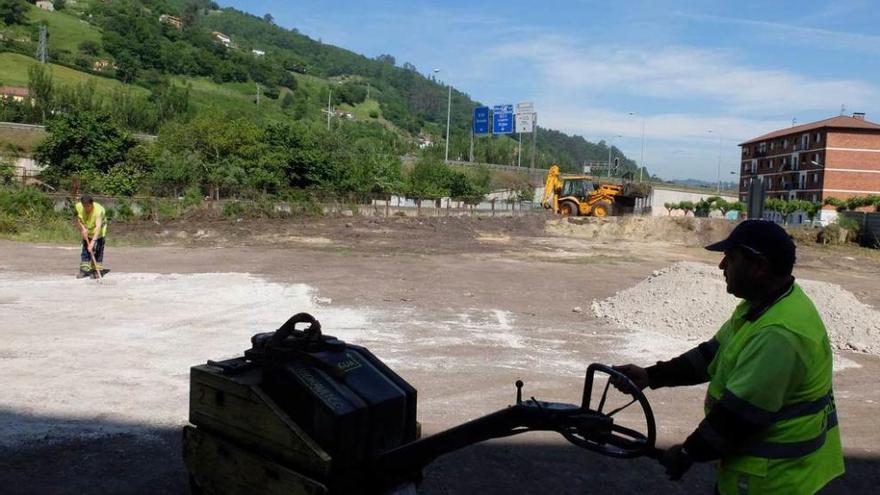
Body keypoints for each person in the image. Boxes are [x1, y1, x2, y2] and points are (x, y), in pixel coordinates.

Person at [614, 220, 843, 494]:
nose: (722, 266)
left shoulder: (779, 336)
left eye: (731, 258)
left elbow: (736, 419)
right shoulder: (765, 306)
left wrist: (687, 454)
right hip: (769, 473)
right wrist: (651, 375)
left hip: (775, 481)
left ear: (759, 267)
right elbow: (709, 355)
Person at [74, 194, 109, 279]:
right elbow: (77, 220)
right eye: (84, 206)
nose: (86, 209)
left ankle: (97, 271)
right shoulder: (78, 207)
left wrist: (92, 242)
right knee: (85, 250)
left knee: (97, 250)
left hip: (99, 232)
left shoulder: (98, 211)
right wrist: (82, 229)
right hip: (87, 230)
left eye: (88, 206)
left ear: (92, 204)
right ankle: (84, 270)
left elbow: (98, 227)